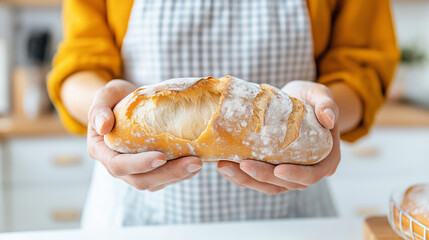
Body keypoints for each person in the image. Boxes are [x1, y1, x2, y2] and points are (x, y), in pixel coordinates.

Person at [48, 0, 399, 227]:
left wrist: (327, 113)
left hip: (291, 210)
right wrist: (102, 109)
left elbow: (360, 68)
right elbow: (80, 59)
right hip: (139, 214)